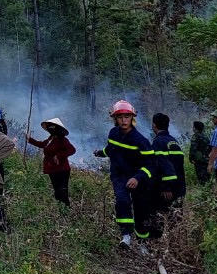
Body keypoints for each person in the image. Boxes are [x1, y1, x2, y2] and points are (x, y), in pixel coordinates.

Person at [93, 99, 168, 250]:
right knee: (122, 201)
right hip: (119, 176)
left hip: (138, 179)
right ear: (115, 119)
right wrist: (100, 153)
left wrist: (137, 177)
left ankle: (142, 242)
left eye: (127, 117)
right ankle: (126, 235)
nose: (123, 120)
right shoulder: (113, 133)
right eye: (120, 117)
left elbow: (151, 164)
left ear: (132, 118)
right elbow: (111, 148)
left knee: (141, 210)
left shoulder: (141, 141)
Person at [26, 117, 76, 206]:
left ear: (57, 129)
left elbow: (72, 150)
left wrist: (59, 156)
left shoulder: (63, 140)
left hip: (62, 170)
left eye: (52, 127)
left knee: (63, 191)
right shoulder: (51, 138)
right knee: (57, 191)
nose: (50, 129)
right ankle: (61, 211)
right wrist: (30, 139)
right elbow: (42, 144)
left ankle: (66, 209)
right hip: (52, 169)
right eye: (50, 127)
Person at [150, 112, 185, 207]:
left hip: (167, 191)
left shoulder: (158, 142)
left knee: (164, 217)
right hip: (179, 186)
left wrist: (166, 187)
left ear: (154, 125)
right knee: (176, 217)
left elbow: (163, 164)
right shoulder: (174, 141)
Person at [188, 120, 212, 185]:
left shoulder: (195, 136)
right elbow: (210, 148)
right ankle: (207, 191)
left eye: (193, 127)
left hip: (199, 161)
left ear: (195, 128)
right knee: (207, 178)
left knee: (201, 178)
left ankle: (203, 192)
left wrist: (191, 158)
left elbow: (193, 148)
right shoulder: (206, 137)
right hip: (206, 160)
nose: (192, 128)